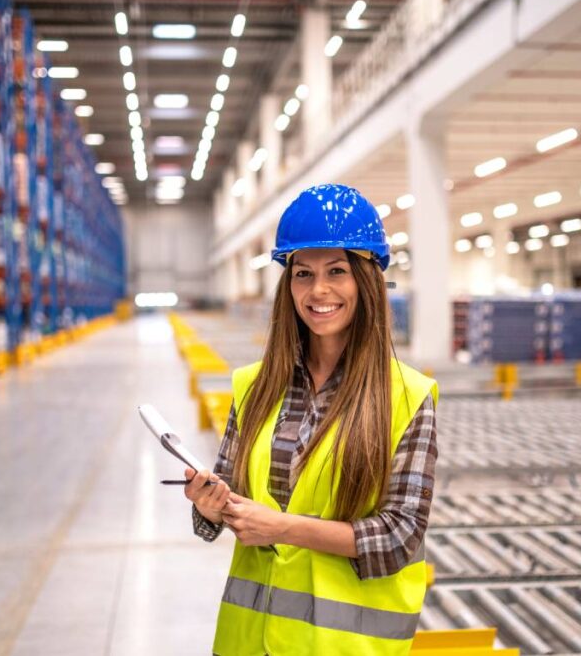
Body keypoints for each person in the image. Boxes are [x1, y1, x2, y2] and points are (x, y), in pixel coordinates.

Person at [184, 184, 439, 656]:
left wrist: (282, 528)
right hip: (248, 642)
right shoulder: (255, 386)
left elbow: (398, 538)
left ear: (366, 281)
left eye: (336, 272)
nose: (318, 290)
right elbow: (223, 503)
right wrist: (209, 505)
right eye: (303, 274)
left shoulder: (407, 396)